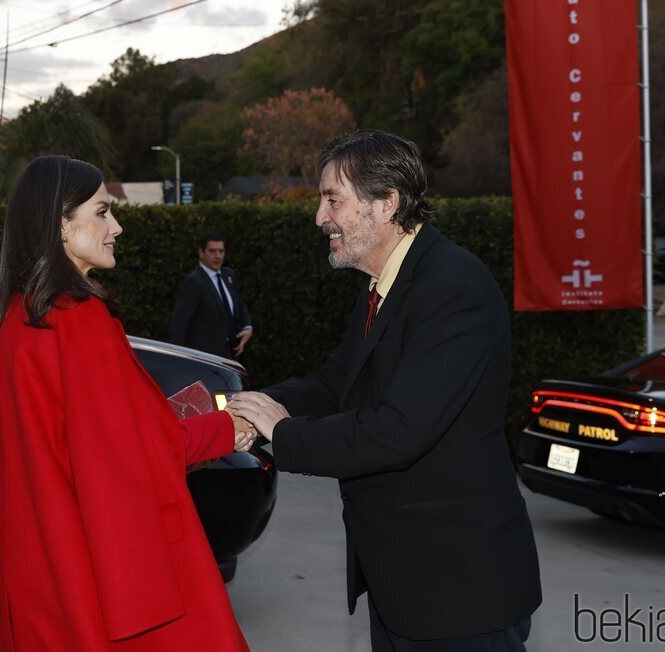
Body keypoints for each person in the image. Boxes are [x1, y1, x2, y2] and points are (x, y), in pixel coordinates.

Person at [230, 130, 542, 651]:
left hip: (457, 591)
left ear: (386, 202)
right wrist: (248, 410)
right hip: (405, 582)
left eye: (333, 199)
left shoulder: (451, 287)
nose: (319, 217)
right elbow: (336, 383)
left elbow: (400, 430)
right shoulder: (385, 287)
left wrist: (281, 433)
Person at [0, 156, 256, 651]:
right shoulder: (80, 320)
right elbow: (134, 455)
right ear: (60, 224)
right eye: (102, 212)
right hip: (94, 568)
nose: (116, 226)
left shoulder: (10, 320)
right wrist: (227, 428)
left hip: (37, 566)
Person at [169, 233, 253, 358]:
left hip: (231, 354)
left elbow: (238, 301)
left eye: (221, 251)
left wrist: (247, 326)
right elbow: (179, 324)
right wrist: (182, 359)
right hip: (206, 358)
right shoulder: (195, 282)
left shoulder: (228, 275)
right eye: (212, 251)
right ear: (201, 253)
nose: (218, 256)